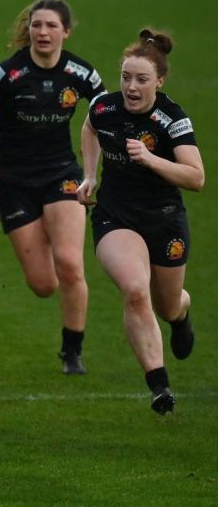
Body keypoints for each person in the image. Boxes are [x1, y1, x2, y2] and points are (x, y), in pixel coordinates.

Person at [0, 0, 105, 375]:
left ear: (66, 32)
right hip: (14, 183)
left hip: (61, 175)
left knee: (71, 265)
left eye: (51, 26)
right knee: (44, 284)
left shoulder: (82, 74)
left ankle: (72, 351)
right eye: (36, 25)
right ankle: (45, 232)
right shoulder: (7, 74)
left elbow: (108, 118)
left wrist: (100, 169)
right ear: (28, 30)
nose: (42, 32)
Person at [77, 29, 203, 414]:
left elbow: (196, 178)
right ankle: (159, 385)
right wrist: (90, 175)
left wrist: (150, 159)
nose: (131, 86)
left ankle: (182, 316)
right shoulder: (104, 107)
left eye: (142, 79)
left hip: (165, 221)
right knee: (135, 289)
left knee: (168, 305)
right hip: (116, 216)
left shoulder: (172, 119)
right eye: (126, 77)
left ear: (159, 81)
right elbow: (89, 128)